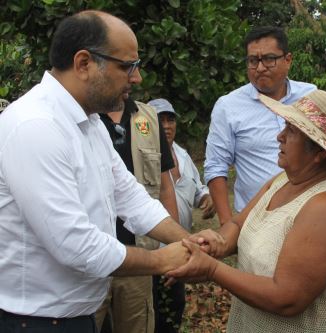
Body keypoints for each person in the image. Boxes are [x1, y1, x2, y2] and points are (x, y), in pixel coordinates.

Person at [0, 11, 222, 333]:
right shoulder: (36, 126)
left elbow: (131, 198)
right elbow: (75, 244)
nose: (137, 78)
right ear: (84, 63)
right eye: (127, 66)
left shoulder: (90, 125)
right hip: (34, 322)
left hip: (73, 316)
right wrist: (162, 261)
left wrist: (187, 241)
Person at [170, 90, 326, 333]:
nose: (279, 136)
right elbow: (240, 224)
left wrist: (212, 269)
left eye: (291, 131)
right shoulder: (284, 179)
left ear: (319, 152)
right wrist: (219, 242)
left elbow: (287, 298)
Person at [204, 26, 316, 225]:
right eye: (253, 61)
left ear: (288, 60)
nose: (260, 67)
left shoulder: (311, 97)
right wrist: (227, 224)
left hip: (308, 215)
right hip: (255, 221)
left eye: (269, 59)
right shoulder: (228, 106)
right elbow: (216, 167)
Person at [94, 96, 180, 333]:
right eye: (126, 67)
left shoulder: (148, 117)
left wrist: (176, 245)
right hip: (92, 260)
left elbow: (164, 186)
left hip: (139, 256)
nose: (136, 77)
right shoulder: (85, 119)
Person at [148, 98, 215, 332]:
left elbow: (197, 189)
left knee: (173, 309)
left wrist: (207, 198)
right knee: (150, 312)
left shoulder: (184, 157)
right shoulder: (141, 158)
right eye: (160, 120)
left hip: (179, 249)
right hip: (150, 253)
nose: (166, 126)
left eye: (170, 119)